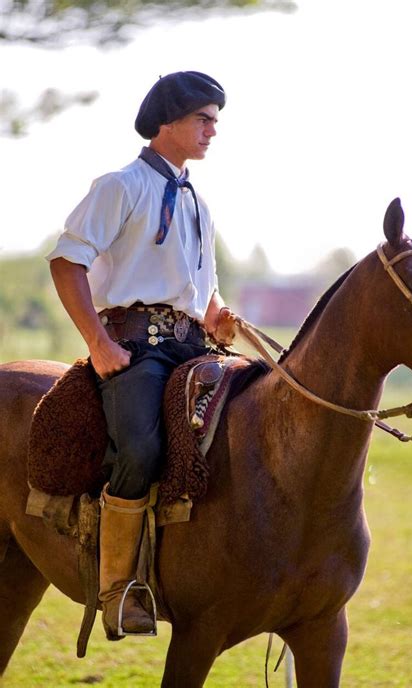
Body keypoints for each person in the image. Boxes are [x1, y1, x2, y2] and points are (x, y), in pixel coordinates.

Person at [47, 71, 236, 640]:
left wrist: (218, 315)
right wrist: (98, 345)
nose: (212, 131)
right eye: (203, 119)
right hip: (135, 347)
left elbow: (203, 287)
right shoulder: (119, 186)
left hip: (192, 346)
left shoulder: (199, 200)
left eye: (215, 122)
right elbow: (66, 263)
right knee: (142, 447)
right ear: (168, 123)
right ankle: (119, 589)